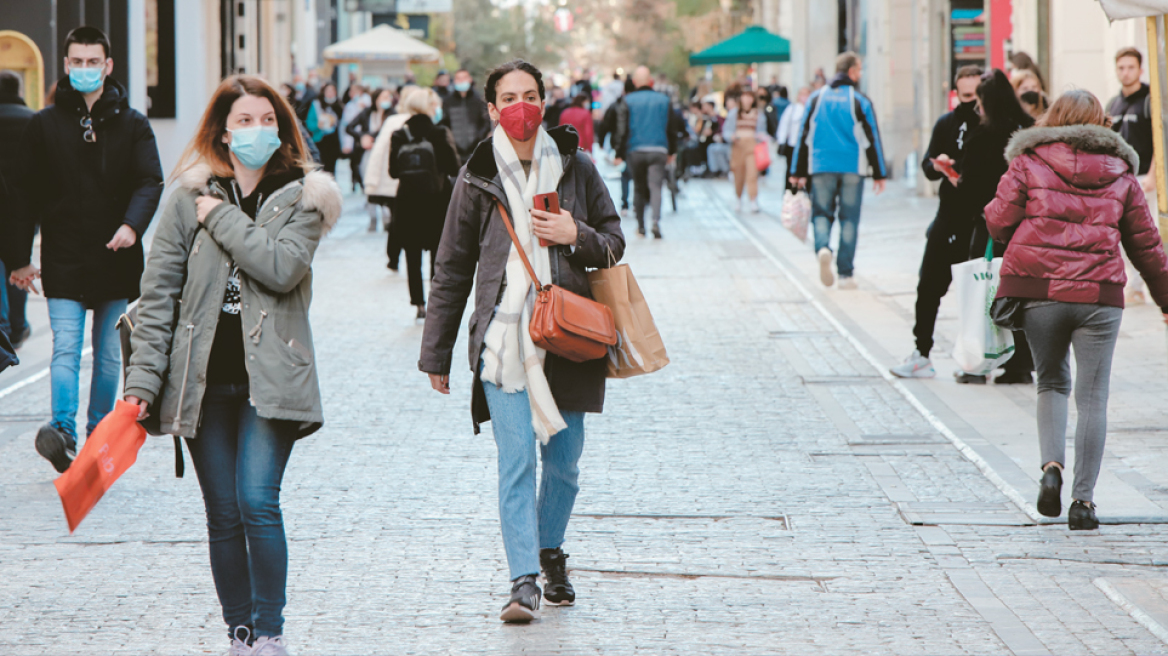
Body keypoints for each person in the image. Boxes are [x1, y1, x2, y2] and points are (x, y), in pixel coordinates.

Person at [124, 74, 340, 656]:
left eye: (267, 120)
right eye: (244, 121)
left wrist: (217, 216)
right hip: (200, 379)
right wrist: (143, 384)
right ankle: (239, 631)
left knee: (256, 500)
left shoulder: (305, 196)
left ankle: (270, 631)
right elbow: (158, 294)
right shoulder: (183, 198)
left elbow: (279, 267)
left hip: (270, 379)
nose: (256, 130)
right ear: (223, 131)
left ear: (283, 128)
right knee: (222, 512)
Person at [419, 58, 625, 623]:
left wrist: (573, 234)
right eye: (508, 97)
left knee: (564, 465)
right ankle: (524, 581)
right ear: (491, 109)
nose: (521, 106)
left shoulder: (576, 167)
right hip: (503, 342)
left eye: (530, 94)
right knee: (516, 464)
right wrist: (436, 352)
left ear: (545, 100)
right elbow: (452, 267)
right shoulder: (475, 175)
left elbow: (614, 241)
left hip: (571, 336)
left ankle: (549, 550)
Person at [985, 90, 1168, 530]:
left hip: (1039, 290)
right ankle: (1083, 503)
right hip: (1099, 296)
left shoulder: (1028, 160)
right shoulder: (1121, 172)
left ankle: (1052, 469)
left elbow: (997, 221)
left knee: (1050, 382)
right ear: (1101, 122)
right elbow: (1146, 243)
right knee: (1093, 397)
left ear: (1054, 117)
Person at [7, 26, 163, 474]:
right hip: (64, 256)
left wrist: (133, 226)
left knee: (109, 353)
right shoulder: (44, 124)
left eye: (94, 62)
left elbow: (149, 179)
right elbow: (22, 192)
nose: (86, 69)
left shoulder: (132, 123)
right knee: (66, 348)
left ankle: (98, 436)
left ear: (108, 65)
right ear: (67, 65)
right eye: (78, 62)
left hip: (115, 255)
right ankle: (62, 432)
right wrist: (20, 257)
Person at [890, 65, 984, 379]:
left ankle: (978, 360)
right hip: (948, 217)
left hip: (979, 221)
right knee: (928, 284)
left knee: (976, 292)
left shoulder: (990, 125)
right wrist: (942, 166)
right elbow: (928, 165)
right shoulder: (948, 122)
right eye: (964, 95)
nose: (970, 102)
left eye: (975, 95)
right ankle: (922, 352)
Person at [947, 69, 1036, 384]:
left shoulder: (982, 137)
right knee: (1020, 298)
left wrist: (954, 176)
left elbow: (971, 189)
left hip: (988, 229)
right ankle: (1020, 364)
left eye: (980, 102)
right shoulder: (1027, 132)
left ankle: (978, 361)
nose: (977, 109)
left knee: (980, 294)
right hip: (1024, 231)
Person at [790, 51, 888, 290]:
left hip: (821, 165)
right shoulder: (859, 100)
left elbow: (803, 136)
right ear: (852, 71)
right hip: (852, 167)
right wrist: (879, 172)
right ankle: (845, 274)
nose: (861, 74)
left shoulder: (816, 98)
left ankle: (823, 247)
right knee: (849, 219)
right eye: (860, 69)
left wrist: (797, 170)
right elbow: (871, 137)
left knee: (821, 213)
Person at [389, 88, 460, 318]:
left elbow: (393, 171)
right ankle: (435, 298)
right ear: (430, 107)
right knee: (437, 255)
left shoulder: (400, 135)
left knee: (412, 254)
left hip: (408, 203)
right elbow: (453, 167)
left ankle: (418, 304)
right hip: (436, 201)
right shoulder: (439, 132)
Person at [1107, 46, 1158, 305]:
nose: (1125, 73)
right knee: (1122, 234)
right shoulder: (1113, 104)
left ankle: (1145, 287)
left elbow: (1162, 140)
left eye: (1130, 67)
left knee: (1149, 235)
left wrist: (1154, 175)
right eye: (1121, 67)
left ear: (1140, 69)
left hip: (1146, 178)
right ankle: (1133, 286)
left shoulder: (1151, 99)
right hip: (1119, 179)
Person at [614, 65, 683, 239]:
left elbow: (621, 130)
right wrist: (672, 151)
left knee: (638, 187)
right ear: (651, 81)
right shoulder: (664, 100)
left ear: (635, 82)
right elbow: (671, 129)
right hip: (659, 149)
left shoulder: (627, 101)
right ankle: (656, 222)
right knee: (655, 186)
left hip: (635, 150)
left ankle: (641, 226)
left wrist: (618, 153)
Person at [364, 85, 418, 271]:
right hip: (397, 181)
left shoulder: (395, 120)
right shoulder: (396, 121)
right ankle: (395, 258)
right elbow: (379, 152)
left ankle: (394, 258)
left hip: (397, 180)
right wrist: (372, 180)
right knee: (400, 220)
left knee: (398, 221)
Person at [0, 70, 33, 349]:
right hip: (24, 208)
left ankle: (4, 324)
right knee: (19, 261)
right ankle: (18, 326)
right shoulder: (33, 120)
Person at [346, 87, 395, 231]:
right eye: (384, 97)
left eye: (389, 97)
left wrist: (371, 136)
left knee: (385, 184)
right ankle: (373, 216)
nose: (387, 100)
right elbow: (349, 127)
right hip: (368, 154)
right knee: (369, 184)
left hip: (386, 154)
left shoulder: (392, 114)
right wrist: (362, 137)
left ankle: (387, 217)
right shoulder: (367, 113)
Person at [723, 88, 769, 212]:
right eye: (745, 96)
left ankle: (753, 200)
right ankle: (739, 198)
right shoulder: (734, 114)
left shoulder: (758, 114)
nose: (747, 99)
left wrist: (761, 136)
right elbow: (726, 131)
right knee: (738, 174)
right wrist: (731, 137)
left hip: (752, 147)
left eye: (749, 97)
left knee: (752, 174)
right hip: (737, 147)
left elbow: (762, 131)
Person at [440, 68, 492, 163]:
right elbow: (444, 123)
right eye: (458, 78)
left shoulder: (478, 100)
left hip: (475, 149)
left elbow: (486, 122)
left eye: (464, 78)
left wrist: (479, 138)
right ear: (454, 81)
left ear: (470, 79)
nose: (461, 81)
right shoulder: (448, 101)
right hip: (454, 152)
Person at [775, 87, 810, 190]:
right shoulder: (792, 109)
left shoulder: (812, 108)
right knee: (791, 171)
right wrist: (781, 141)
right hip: (793, 145)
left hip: (808, 146)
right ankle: (790, 193)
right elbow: (784, 126)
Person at [307, 82, 343, 174]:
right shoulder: (316, 104)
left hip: (334, 141)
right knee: (320, 167)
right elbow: (309, 123)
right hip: (320, 140)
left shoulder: (339, 106)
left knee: (331, 169)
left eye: (332, 91)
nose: (330, 93)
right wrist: (318, 125)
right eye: (328, 91)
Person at [338, 83, 369, 191]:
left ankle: (361, 183)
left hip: (364, 138)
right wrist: (346, 144)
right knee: (354, 163)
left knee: (361, 163)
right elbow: (345, 125)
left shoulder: (366, 104)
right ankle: (355, 182)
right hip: (353, 138)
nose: (351, 94)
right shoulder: (350, 105)